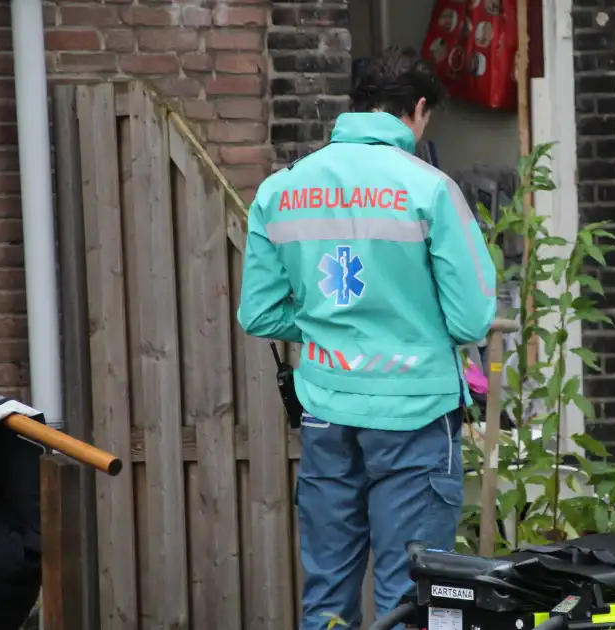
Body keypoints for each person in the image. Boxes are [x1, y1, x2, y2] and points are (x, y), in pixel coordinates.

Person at [236, 46, 497, 630]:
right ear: (419, 109)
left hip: (327, 411)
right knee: (416, 593)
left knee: (327, 592)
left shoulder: (282, 190)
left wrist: (328, 329)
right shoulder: (430, 190)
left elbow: (259, 313)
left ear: (355, 107)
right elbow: (471, 318)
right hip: (415, 412)